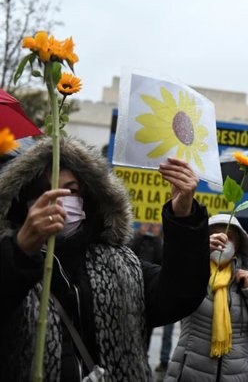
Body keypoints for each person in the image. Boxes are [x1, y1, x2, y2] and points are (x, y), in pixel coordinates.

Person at [0, 138, 209, 381]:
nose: (59, 199)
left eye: (71, 189)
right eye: (46, 191)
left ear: (88, 199)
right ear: (24, 203)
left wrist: (183, 216)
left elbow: (180, 295)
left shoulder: (121, 264)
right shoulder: (11, 260)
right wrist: (19, 253)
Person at [165, 214, 248, 382]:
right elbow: (172, 291)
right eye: (216, 236)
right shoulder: (194, 273)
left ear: (237, 246)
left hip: (235, 376)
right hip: (190, 373)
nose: (222, 242)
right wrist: (197, 254)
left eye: (229, 238)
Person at [128, 223, 175, 378]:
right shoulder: (138, 239)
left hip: (160, 289)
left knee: (167, 332)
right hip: (140, 290)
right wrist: (140, 235)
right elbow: (131, 252)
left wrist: (155, 239)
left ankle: (163, 360)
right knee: (144, 329)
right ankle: (143, 355)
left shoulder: (159, 242)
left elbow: (161, 258)